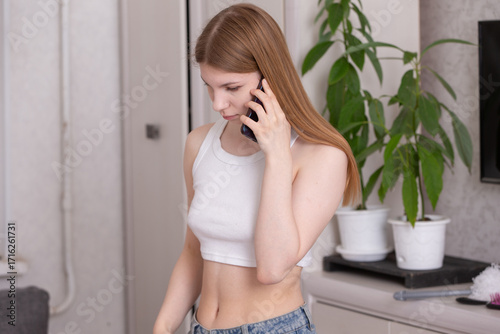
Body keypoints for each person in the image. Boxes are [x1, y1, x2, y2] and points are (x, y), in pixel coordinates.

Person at [153, 3, 360, 334]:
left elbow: (273, 268)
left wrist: (277, 153)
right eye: (209, 85)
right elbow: (194, 252)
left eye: (231, 88)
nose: (217, 103)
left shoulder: (322, 155)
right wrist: (162, 327)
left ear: (270, 78)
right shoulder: (199, 144)